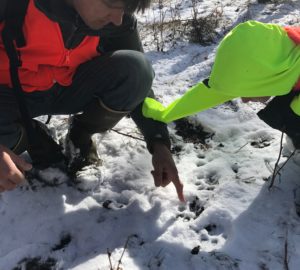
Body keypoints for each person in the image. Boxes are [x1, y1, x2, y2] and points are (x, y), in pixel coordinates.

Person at [0, 0, 185, 202]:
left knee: (136, 69)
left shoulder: (115, 21)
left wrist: (158, 142)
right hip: (12, 97)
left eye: (124, 9)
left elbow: (139, 81)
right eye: (112, 4)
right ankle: (31, 135)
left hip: (71, 89)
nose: (118, 18)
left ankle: (79, 138)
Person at [143, 20, 300, 147]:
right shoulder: (285, 58)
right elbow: (214, 91)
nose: (244, 100)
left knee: (290, 113)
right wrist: (164, 114)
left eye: (246, 91)